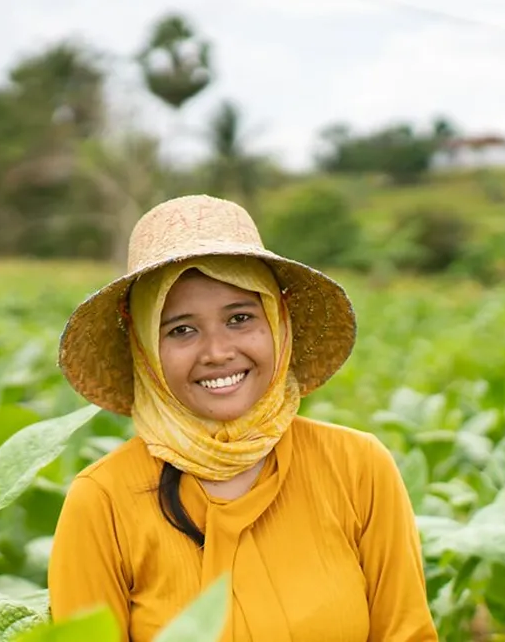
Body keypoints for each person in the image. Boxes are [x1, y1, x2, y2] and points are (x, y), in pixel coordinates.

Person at [48, 195, 437, 641]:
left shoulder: (357, 467)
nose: (217, 353)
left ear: (277, 323)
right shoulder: (102, 501)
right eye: (181, 330)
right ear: (145, 350)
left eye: (239, 318)